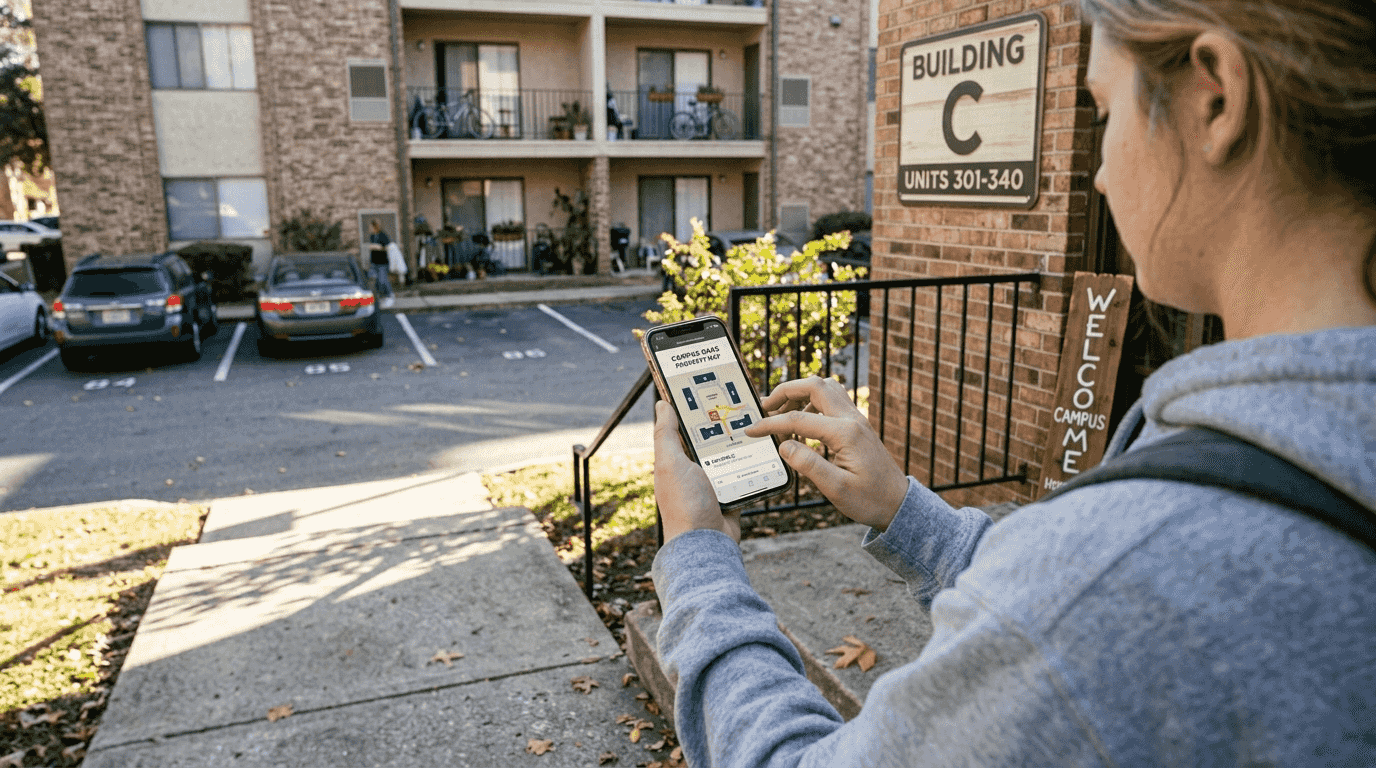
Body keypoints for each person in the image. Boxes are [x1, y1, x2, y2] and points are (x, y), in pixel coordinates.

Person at [649, 1, 1376, 765]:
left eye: (1102, 108)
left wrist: (697, 555)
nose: (1097, 169)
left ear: (1216, 98)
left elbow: (1082, 600)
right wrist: (905, 513)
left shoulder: (1113, 570)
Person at [366, 220, 395, 308]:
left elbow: (387, 247)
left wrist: (379, 247)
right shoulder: (372, 236)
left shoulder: (382, 235)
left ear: (375, 227)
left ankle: (389, 295)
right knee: (377, 281)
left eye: (371, 227)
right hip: (374, 262)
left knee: (383, 279)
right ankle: (381, 297)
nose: (369, 229)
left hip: (382, 262)